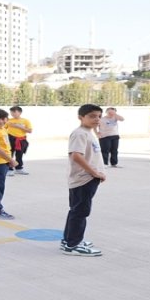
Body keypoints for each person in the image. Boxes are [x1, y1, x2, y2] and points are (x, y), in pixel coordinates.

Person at [61, 104, 107, 256]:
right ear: (81, 117)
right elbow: (76, 155)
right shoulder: (80, 133)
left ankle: (68, 240)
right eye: (92, 116)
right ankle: (73, 245)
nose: (97, 119)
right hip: (84, 178)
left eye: (99, 116)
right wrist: (95, 173)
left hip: (88, 178)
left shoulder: (88, 132)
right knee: (81, 212)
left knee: (76, 210)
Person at [6, 106, 32, 176]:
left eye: (14, 112)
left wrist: (19, 126)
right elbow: (3, 129)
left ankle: (19, 168)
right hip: (10, 138)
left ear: (20, 112)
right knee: (10, 154)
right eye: (11, 112)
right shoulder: (9, 121)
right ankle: (9, 169)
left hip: (21, 139)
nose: (12, 113)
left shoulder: (25, 121)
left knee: (19, 154)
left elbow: (30, 131)